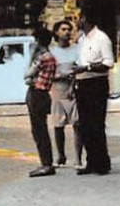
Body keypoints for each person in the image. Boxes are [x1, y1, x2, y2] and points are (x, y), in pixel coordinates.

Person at [74, 11, 116, 175]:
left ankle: (102, 163)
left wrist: (88, 67)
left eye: (79, 17)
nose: (76, 21)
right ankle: (91, 161)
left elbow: (108, 63)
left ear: (86, 19)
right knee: (85, 125)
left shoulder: (101, 38)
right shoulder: (82, 39)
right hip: (82, 82)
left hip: (96, 83)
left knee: (96, 124)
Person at [23, 26, 58, 177]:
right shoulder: (49, 57)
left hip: (38, 94)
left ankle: (46, 164)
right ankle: (46, 162)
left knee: (39, 130)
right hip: (40, 93)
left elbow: (27, 74)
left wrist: (32, 56)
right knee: (39, 129)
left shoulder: (44, 58)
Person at [48, 19, 82, 168]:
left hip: (73, 90)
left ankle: (78, 158)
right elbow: (47, 74)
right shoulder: (52, 52)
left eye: (69, 29)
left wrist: (73, 82)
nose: (67, 32)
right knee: (58, 125)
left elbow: (80, 69)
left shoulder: (77, 49)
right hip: (57, 90)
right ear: (56, 33)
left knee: (77, 124)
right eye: (63, 29)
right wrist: (60, 76)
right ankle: (60, 156)